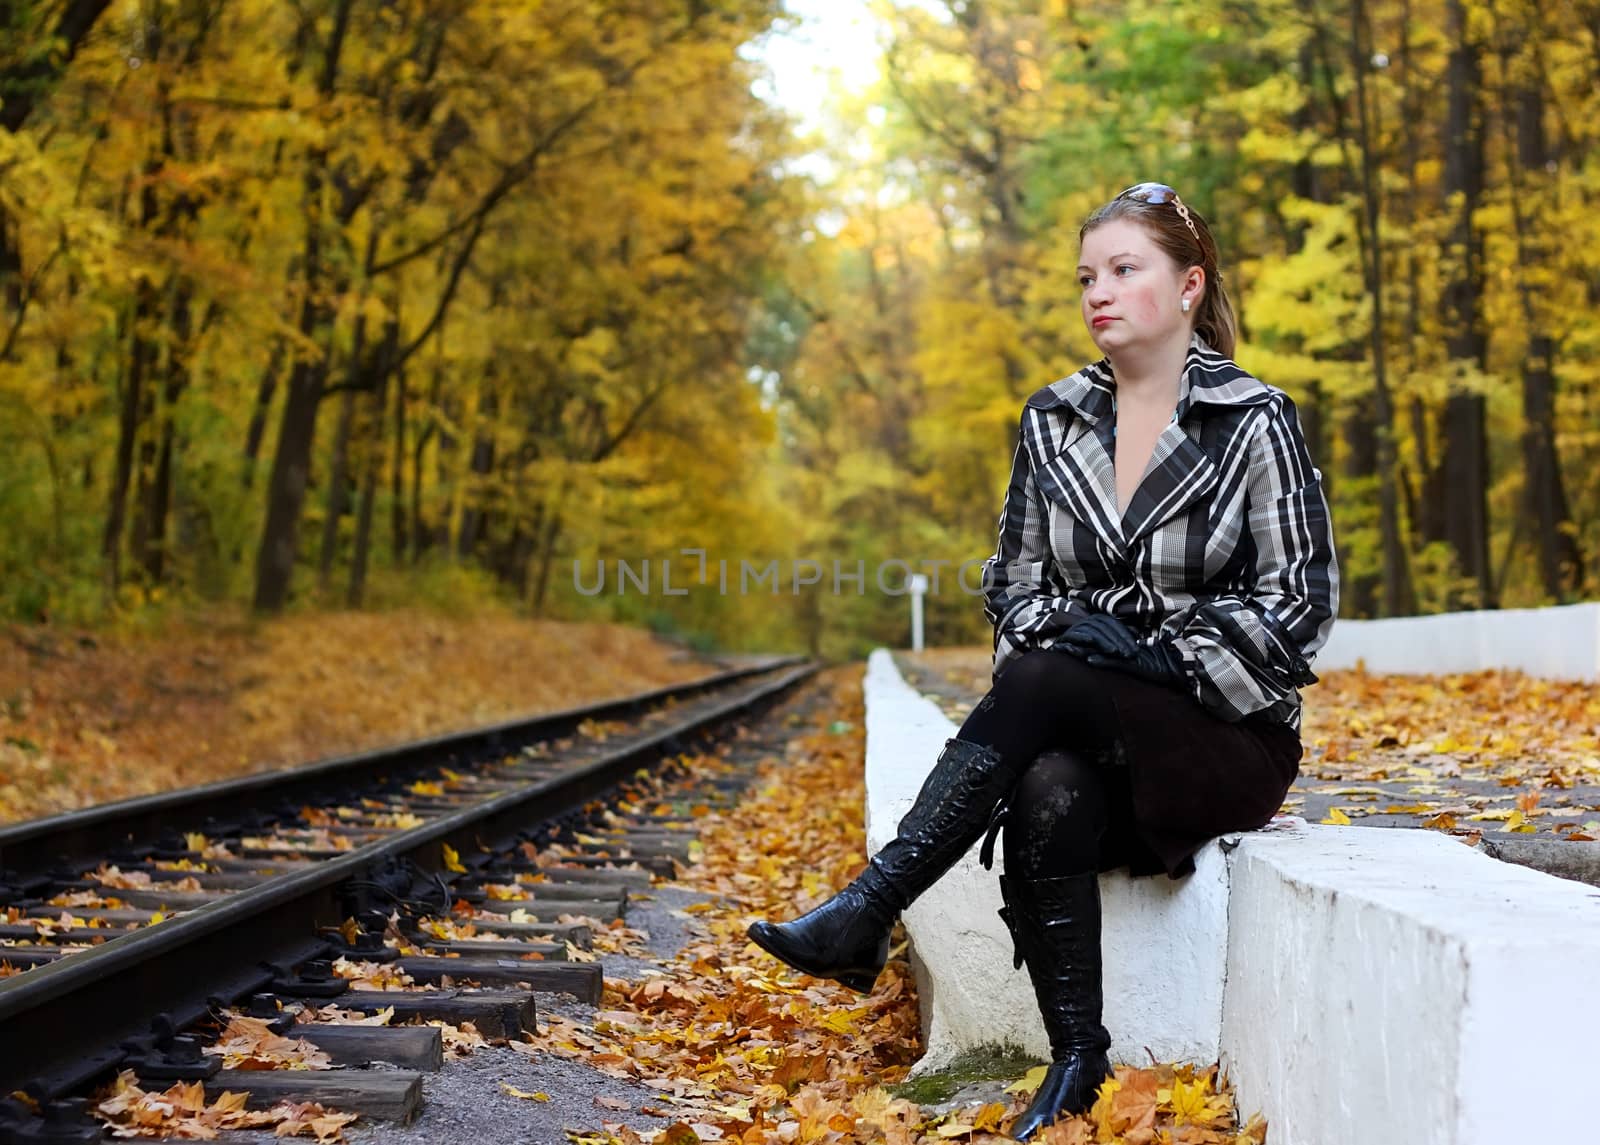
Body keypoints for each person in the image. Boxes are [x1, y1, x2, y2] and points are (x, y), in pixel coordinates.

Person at [746, 183, 1339, 1140]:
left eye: (1122, 269)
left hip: (1222, 734)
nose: (1097, 292)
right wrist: (1083, 642)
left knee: (1042, 679)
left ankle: (871, 904)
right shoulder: (1052, 419)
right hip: (1081, 721)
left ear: (1189, 286)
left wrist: (1156, 655)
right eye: (1085, 277)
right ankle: (1078, 1058)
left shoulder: (1255, 419)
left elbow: (1300, 604)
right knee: (1049, 780)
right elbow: (1012, 582)